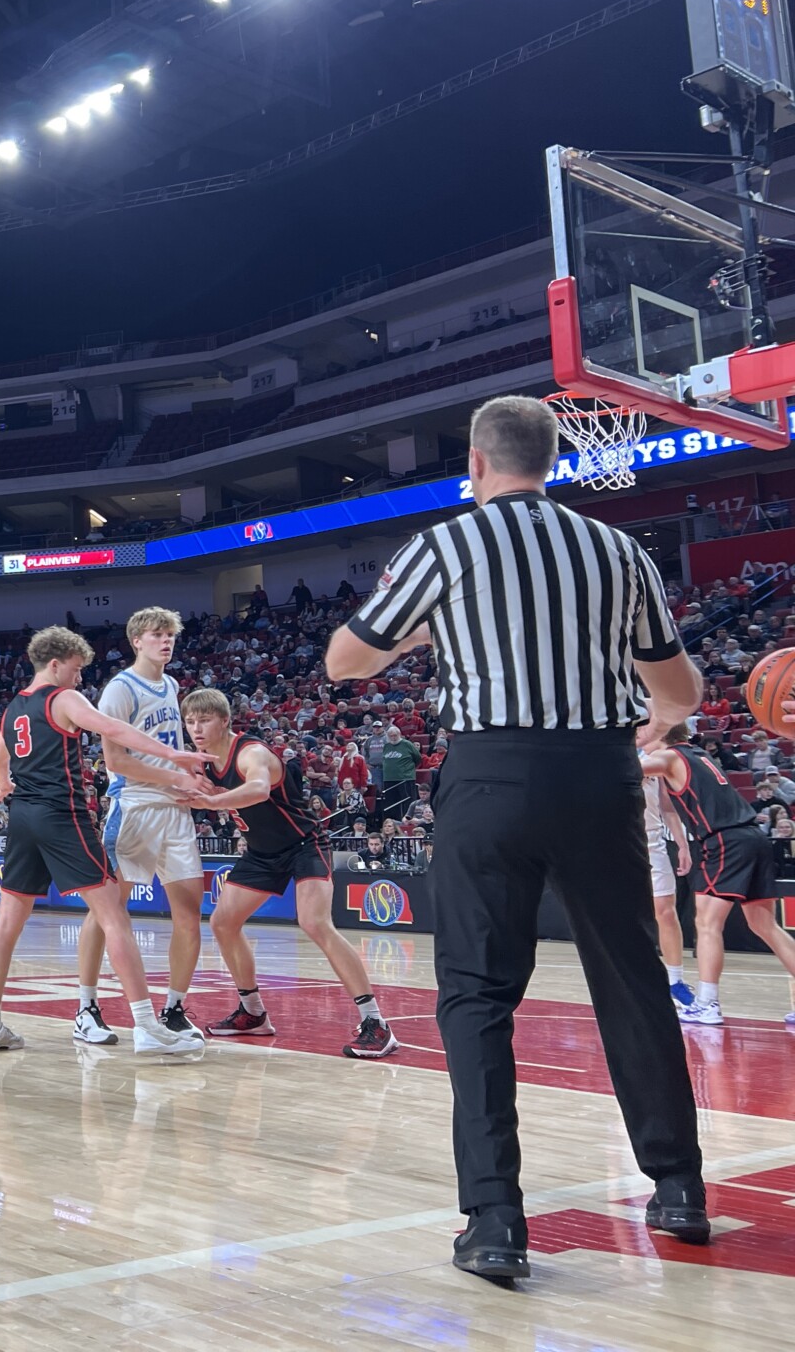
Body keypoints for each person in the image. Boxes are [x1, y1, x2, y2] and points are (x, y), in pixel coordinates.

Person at [326, 395, 708, 1282]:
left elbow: (347, 660)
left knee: (474, 995)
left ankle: (495, 1221)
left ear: (475, 461)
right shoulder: (618, 551)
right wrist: (643, 735)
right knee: (632, 980)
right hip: (598, 774)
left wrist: (428, 630)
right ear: (554, 457)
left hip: (489, 776)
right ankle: (679, 1186)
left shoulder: (444, 545)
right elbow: (681, 688)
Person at [0, 626, 209, 1057]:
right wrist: (174, 755)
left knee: (8, 922)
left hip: (22, 818)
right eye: (76, 669)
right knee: (113, 914)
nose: (80, 678)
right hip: (60, 815)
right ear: (55, 664)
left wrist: (4, 785)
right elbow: (113, 730)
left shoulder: (13, 708)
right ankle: (146, 1026)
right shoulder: (63, 699)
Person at [182, 690, 397, 1058]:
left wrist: (213, 800)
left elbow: (259, 788)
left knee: (315, 923)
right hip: (262, 852)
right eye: (190, 721)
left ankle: (376, 1022)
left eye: (204, 720)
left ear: (223, 721)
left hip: (303, 845)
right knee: (222, 923)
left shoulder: (251, 753)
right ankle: (253, 1013)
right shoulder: (200, 762)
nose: (196, 728)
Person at [84, 608, 208, 1044]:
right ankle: (87, 1006)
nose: (166, 641)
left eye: (170, 634)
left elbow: (166, 750)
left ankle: (173, 1009)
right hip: (133, 807)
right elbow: (116, 760)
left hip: (174, 810)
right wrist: (176, 776)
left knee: (189, 916)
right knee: (106, 911)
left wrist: (189, 784)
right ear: (136, 639)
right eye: (157, 634)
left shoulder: (172, 685)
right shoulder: (120, 688)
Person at [644, 726, 795, 1025]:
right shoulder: (699, 754)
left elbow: (625, 767)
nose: (640, 738)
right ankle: (706, 1001)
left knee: (707, 923)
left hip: (726, 841)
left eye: (643, 733)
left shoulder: (670, 756)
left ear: (661, 734)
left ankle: (707, 1003)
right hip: (753, 837)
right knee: (765, 925)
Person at [639, 758, 695, 1013]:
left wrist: (683, 844)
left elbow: (667, 806)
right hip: (615, 843)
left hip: (652, 844)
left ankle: (675, 981)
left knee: (666, 912)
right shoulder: (602, 754)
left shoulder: (653, 760)